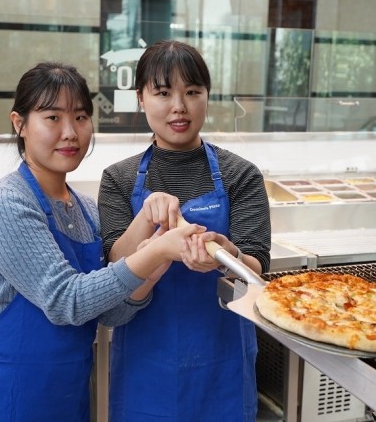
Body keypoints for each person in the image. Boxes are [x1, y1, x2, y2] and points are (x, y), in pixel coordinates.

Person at [0, 62, 204, 421]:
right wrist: (155, 252)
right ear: (19, 123)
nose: (70, 132)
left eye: (81, 117)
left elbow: (109, 313)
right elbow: (66, 301)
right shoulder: (6, 202)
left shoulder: (84, 209)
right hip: (2, 401)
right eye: (52, 118)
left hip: (65, 402)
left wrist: (152, 272)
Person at [98, 40, 271, 421]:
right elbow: (114, 267)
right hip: (145, 365)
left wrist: (227, 255)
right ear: (141, 98)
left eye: (192, 92)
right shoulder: (118, 179)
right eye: (163, 93)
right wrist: (146, 219)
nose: (179, 106)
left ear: (207, 97)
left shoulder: (241, 175)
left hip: (221, 361)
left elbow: (256, 271)